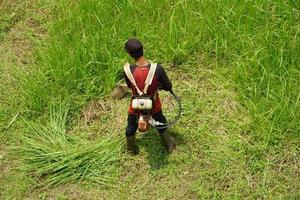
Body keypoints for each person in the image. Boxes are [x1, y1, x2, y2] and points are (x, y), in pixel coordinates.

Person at [123, 38, 176, 155]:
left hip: (135, 104)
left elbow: (129, 85)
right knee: (160, 121)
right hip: (153, 104)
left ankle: (130, 150)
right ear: (143, 49)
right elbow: (168, 86)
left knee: (131, 126)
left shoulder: (127, 70)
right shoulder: (157, 69)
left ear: (129, 54)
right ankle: (169, 145)